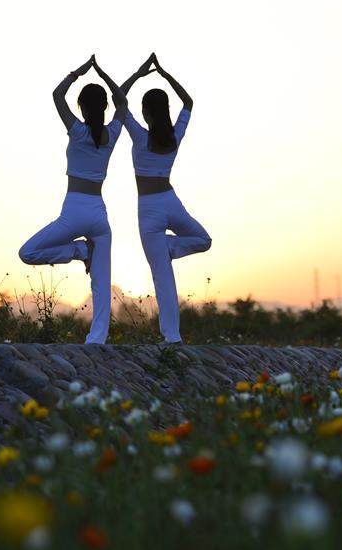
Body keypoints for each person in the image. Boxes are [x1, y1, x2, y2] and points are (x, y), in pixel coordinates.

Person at [18, 55, 127, 344]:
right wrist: (103, 75)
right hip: (99, 215)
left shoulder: (77, 131)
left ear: (82, 106)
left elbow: (56, 94)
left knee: (27, 253)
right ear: (103, 107)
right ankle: (97, 339)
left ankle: (80, 253)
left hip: (74, 210)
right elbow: (124, 104)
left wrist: (77, 73)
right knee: (101, 285)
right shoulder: (112, 133)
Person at [120, 53, 211, 344]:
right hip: (171, 202)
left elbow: (119, 99)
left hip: (149, 209)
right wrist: (165, 75)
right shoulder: (174, 135)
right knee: (203, 240)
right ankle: (169, 247)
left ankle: (172, 338)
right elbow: (189, 103)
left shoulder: (139, 135)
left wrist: (140, 73)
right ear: (165, 111)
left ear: (146, 113)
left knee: (163, 279)